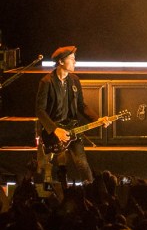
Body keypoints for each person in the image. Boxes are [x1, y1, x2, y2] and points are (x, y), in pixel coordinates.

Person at [35, 46, 107, 182]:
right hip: (51, 131)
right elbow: (40, 110)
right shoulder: (46, 82)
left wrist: (97, 119)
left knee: (82, 164)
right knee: (43, 168)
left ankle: (90, 193)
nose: (75, 62)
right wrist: (55, 130)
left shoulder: (74, 80)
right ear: (61, 62)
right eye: (72, 59)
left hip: (72, 129)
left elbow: (81, 105)